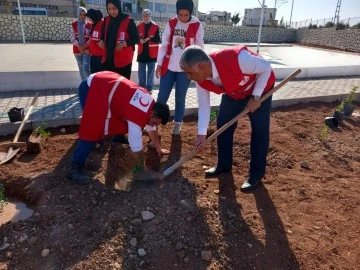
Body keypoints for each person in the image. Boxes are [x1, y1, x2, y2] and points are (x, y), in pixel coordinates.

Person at [179, 45, 276, 191]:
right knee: (223, 124)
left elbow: (266, 68)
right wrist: (201, 135)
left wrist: (256, 96)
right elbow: (204, 105)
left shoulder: (236, 58)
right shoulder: (201, 79)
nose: (188, 77)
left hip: (260, 90)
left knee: (259, 130)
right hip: (234, 93)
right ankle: (223, 164)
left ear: (201, 66)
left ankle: (256, 173)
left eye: (189, 72)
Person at [68, 71, 170, 185]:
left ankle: (117, 136)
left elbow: (151, 127)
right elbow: (136, 146)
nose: (153, 125)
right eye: (154, 122)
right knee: (93, 128)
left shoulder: (149, 104)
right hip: (93, 89)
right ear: (152, 113)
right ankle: (75, 167)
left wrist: (158, 147)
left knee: (119, 119)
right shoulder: (137, 114)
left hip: (105, 85)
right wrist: (141, 170)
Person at [155, 0, 204, 135]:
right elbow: (164, 45)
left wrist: (198, 67)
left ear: (190, 13)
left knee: (180, 97)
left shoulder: (196, 25)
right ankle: (154, 123)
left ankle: (177, 124)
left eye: (185, 15)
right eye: (180, 15)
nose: (182, 18)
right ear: (176, 13)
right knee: (162, 96)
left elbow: (199, 47)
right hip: (169, 67)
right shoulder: (171, 23)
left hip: (185, 70)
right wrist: (159, 64)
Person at [99, 0, 139, 79]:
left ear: (118, 7)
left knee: (122, 87)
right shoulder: (106, 20)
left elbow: (136, 38)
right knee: (109, 85)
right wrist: (101, 40)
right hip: (108, 60)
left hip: (123, 62)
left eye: (114, 8)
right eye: (109, 9)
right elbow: (102, 34)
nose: (111, 11)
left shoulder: (128, 21)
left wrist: (124, 44)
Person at [136, 9, 160, 93]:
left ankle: (149, 88)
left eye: (147, 15)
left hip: (152, 54)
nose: (145, 17)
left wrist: (150, 38)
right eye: (144, 15)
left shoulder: (155, 26)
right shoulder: (139, 26)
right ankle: (142, 88)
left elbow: (158, 39)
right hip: (142, 53)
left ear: (150, 16)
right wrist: (140, 40)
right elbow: (136, 38)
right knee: (141, 72)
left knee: (151, 72)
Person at [70, 6, 91, 81]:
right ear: (78, 14)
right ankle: (83, 85)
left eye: (84, 14)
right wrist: (79, 46)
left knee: (86, 68)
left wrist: (84, 46)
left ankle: (90, 85)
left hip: (87, 50)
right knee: (81, 68)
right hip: (77, 50)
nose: (82, 16)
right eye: (80, 14)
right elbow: (72, 38)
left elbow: (91, 38)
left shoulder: (89, 25)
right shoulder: (73, 25)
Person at [86, 9, 104, 74]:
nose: (88, 20)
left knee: (99, 74)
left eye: (89, 18)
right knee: (94, 74)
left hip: (100, 56)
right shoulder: (94, 25)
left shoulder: (102, 25)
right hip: (94, 55)